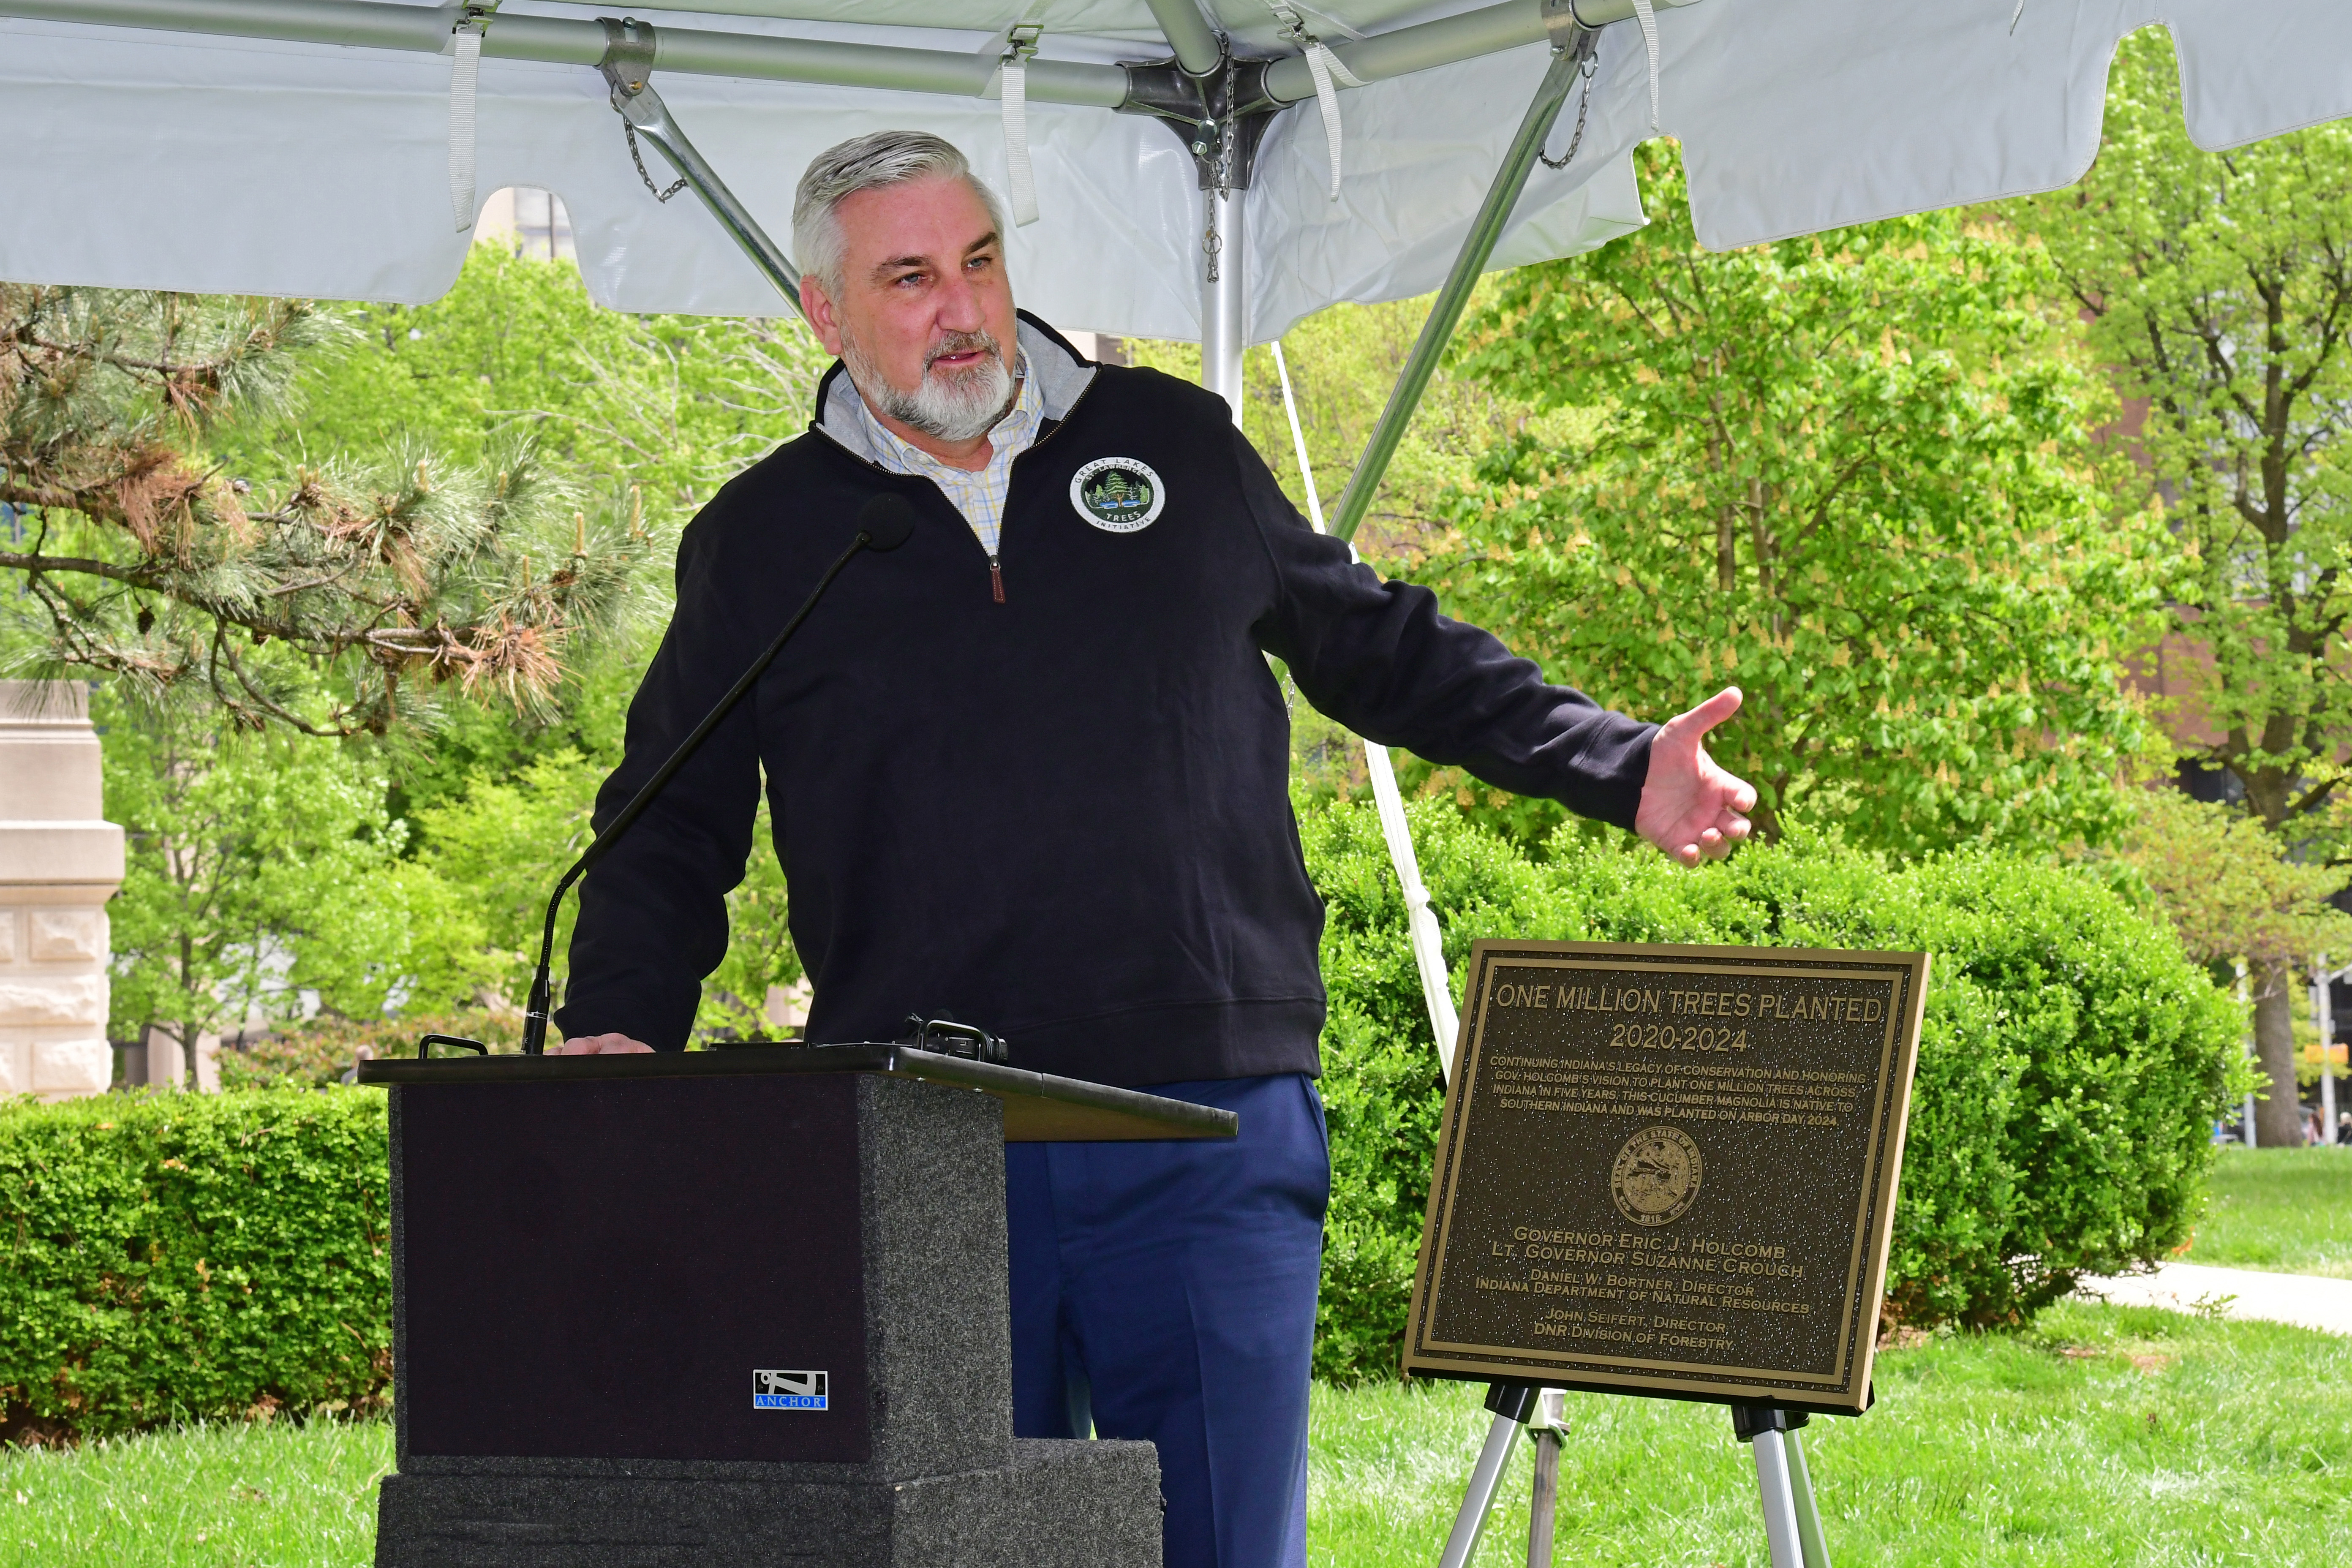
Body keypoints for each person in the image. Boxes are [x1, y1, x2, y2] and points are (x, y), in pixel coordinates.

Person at [553, 130, 1756, 1568]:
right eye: (914, 277)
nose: (966, 310)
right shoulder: (765, 540)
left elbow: (1378, 647)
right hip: (927, 1139)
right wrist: (622, 1028)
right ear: (825, 311)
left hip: (1206, 1119)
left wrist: (1617, 765)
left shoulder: (1172, 445)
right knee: (965, 1551)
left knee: (1225, 1548)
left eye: (984, 263)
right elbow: (667, 817)